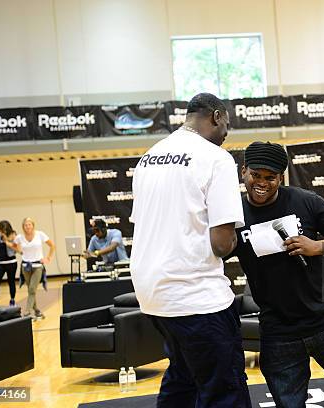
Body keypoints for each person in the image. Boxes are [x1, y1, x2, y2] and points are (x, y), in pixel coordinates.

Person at [230, 141, 324, 408]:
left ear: (281, 177)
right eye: (256, 175)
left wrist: (317, 246)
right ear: (244, 171)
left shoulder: (305, 200)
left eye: (271, 177)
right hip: (278, 330)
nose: (262, 183)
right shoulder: (233, 213)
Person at [130, 93, 251, 408]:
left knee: (183, 378)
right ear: (215, 116)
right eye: (227, 124)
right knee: (225, 390)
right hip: (196, 295)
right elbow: (222, 244)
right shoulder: (215, 157)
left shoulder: (149, 157)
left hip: (153, 295)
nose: (227, 133)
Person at [13, 217, 55, 320]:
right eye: (25, 225)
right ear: (23, 227)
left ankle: (27, 312)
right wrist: (20, 251)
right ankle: (37, 311)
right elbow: (14, 245)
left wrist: (48, 258)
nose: (28, 226)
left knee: (32, 288)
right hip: (25, 266)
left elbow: (52, 245)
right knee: (31, 290)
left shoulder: (40, 234)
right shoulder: (19, 237)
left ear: (33, 225)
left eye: (29, 224)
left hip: (37, 266)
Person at [0, 220, 18, 306]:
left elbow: (16, 248)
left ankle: (12, 299)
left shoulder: (13, 235)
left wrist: (6, 240)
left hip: (11, 262)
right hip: (0, 263)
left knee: (11, 281)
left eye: (0, 228)